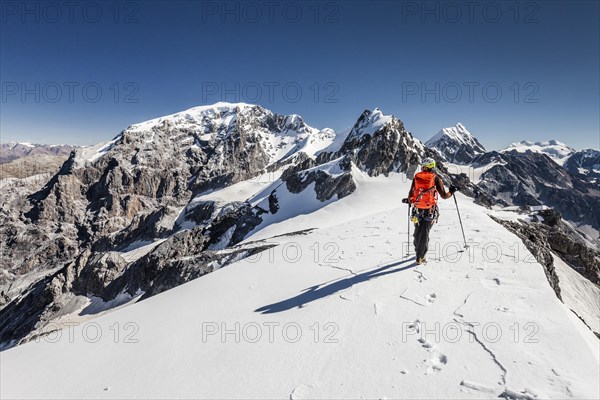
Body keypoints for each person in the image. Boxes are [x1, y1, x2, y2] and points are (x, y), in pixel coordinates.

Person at [406, 157, 457, 264]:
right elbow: (443, 195)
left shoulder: (416, 177)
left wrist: (410, 201)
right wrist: (451, 192)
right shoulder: (435, 178)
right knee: (425, 232)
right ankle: (420, 256)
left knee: (418, 231)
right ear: (432, 167)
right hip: (430, 210)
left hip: (417, 209)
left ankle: (417, 251)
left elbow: (411, 192)